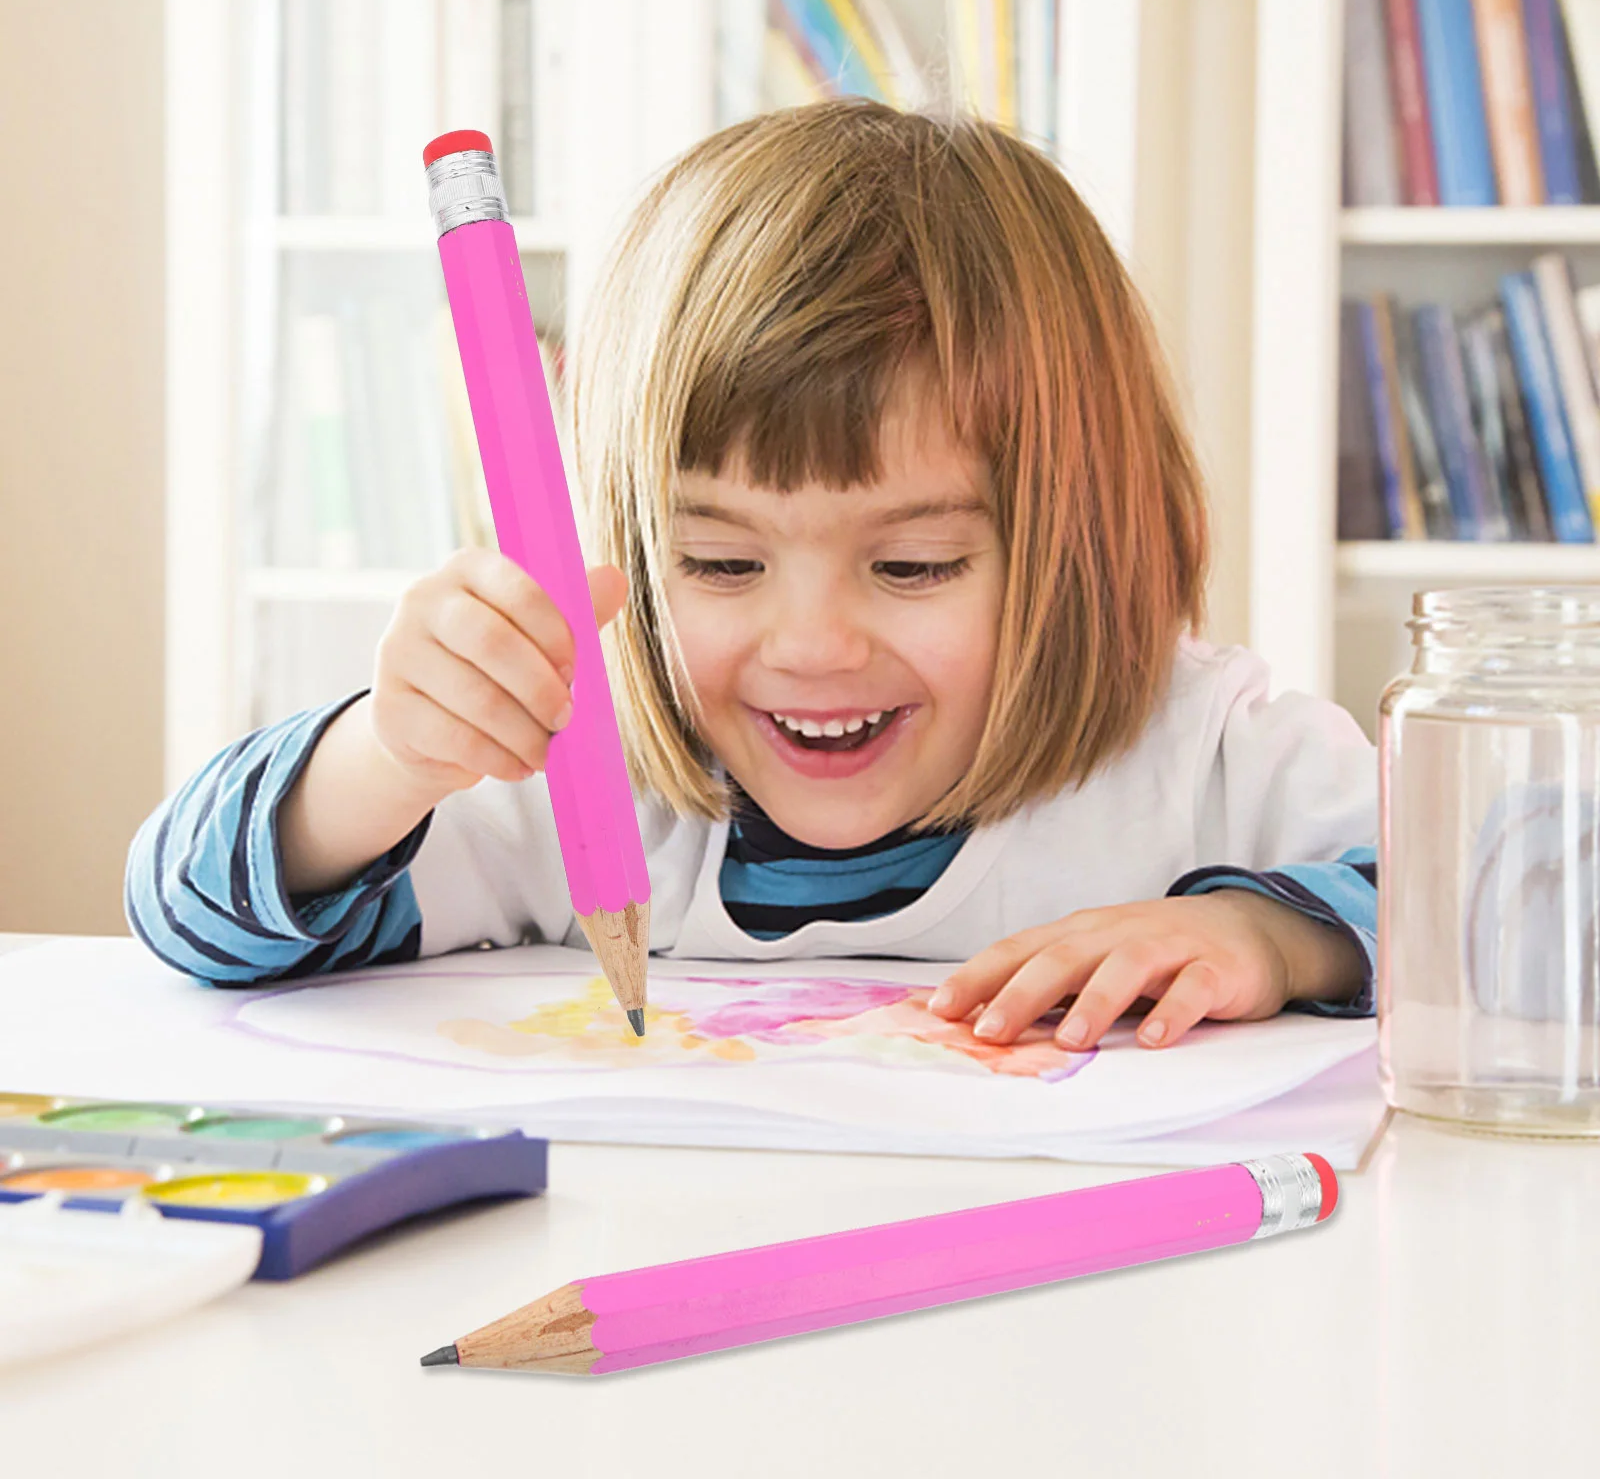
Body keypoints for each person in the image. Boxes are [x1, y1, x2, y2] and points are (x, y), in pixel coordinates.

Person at [126, 100, 1376, 1055]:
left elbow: (1534, 895)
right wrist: (387, 759)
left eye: (912, 562)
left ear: (1080, 542)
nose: (812, 642)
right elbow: (185, 917)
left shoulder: (1204, 761)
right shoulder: (576, 778)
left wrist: (1269, 934)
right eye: (720, 560)